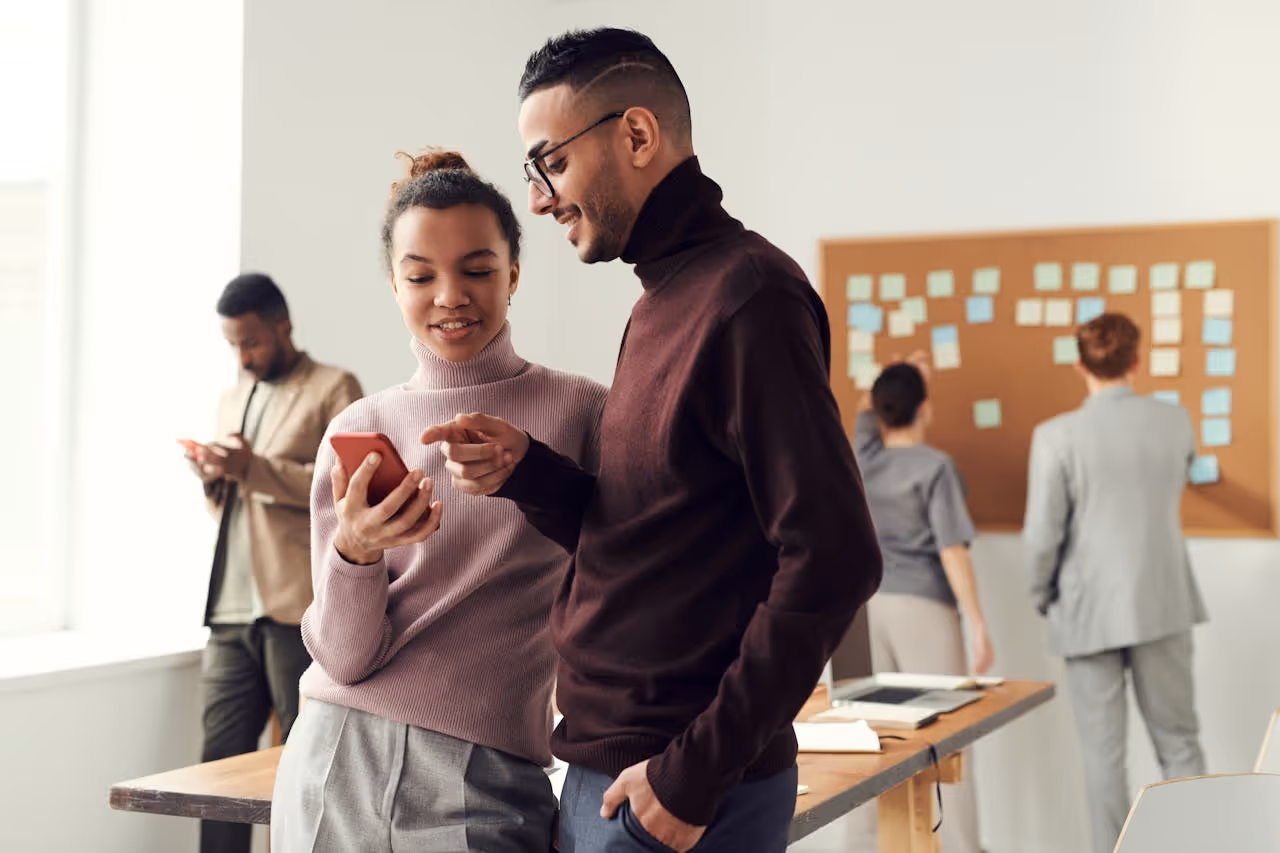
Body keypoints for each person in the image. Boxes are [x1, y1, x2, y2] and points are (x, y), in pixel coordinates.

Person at [424, 28, 882, 853]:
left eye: (549, 164)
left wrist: (691, 777)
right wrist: (530, 472)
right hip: (616, 777)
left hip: (674, 787)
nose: (538, 199)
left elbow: (836, 554)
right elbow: (656, 533)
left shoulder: (748, 297)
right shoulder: (661, 301)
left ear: (637, 135)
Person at [269, 149, 608, 853]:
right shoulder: (357, 429)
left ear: (514, 273)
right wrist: (355, 552)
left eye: (478, 270)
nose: (450, 295)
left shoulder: (581, 410)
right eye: (420, 276)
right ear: (394, 285)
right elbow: (343, 657)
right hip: (338, 757)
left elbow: (636, 560)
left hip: (488, 768)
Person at [186, 272, 363, 853]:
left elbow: (341, 491)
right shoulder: (233, 397)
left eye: (252, 341)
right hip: (231, 609)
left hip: (295, 608)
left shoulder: (335, 389)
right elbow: (239, 511)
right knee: (217, 769)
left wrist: (251, 469)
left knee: (303, 760)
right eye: (233, 345)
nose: (243, 356)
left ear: (282, 326)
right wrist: (216, 480)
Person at [1023, 313, 1208, 853]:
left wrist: (1040, 594)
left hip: (1086, 610)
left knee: (1104, 759)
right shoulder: (1176, 421)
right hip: (1163, 601)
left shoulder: (1056, 436)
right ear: (1137, 360)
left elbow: (1042, 536)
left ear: (1080, 366)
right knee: (1180, 744)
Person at [852, 352, 993, 853]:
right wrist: (977, 623)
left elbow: (866, 410)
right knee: (949, 739)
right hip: (923, 611)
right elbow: (952, 550)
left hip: (867, 612)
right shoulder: (936, 467)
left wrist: (893, 377)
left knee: (871, 742)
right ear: (925, 408)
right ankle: (962, 847)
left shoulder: (862, 457)